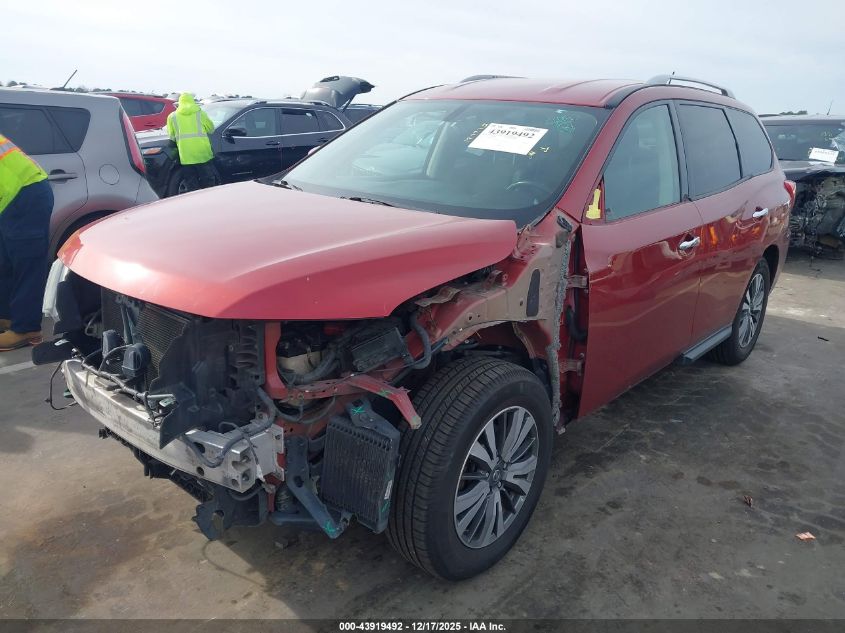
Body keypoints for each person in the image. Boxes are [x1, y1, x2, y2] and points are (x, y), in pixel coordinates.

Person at [0, 133, 54, 351]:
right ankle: (8, 316)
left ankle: (26, 328)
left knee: (26, 262)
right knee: (5, 261)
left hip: (26, 193)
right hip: (11, 198)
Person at [167, 93, 218, 191]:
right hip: (203, 154)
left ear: (180, 102)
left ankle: (195, 203)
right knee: (208, 182)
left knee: (191, 184)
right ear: (192, 101)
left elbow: (172, 137)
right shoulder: (200, 113)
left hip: (186, 156)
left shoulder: (172, 117)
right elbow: (211, 129)